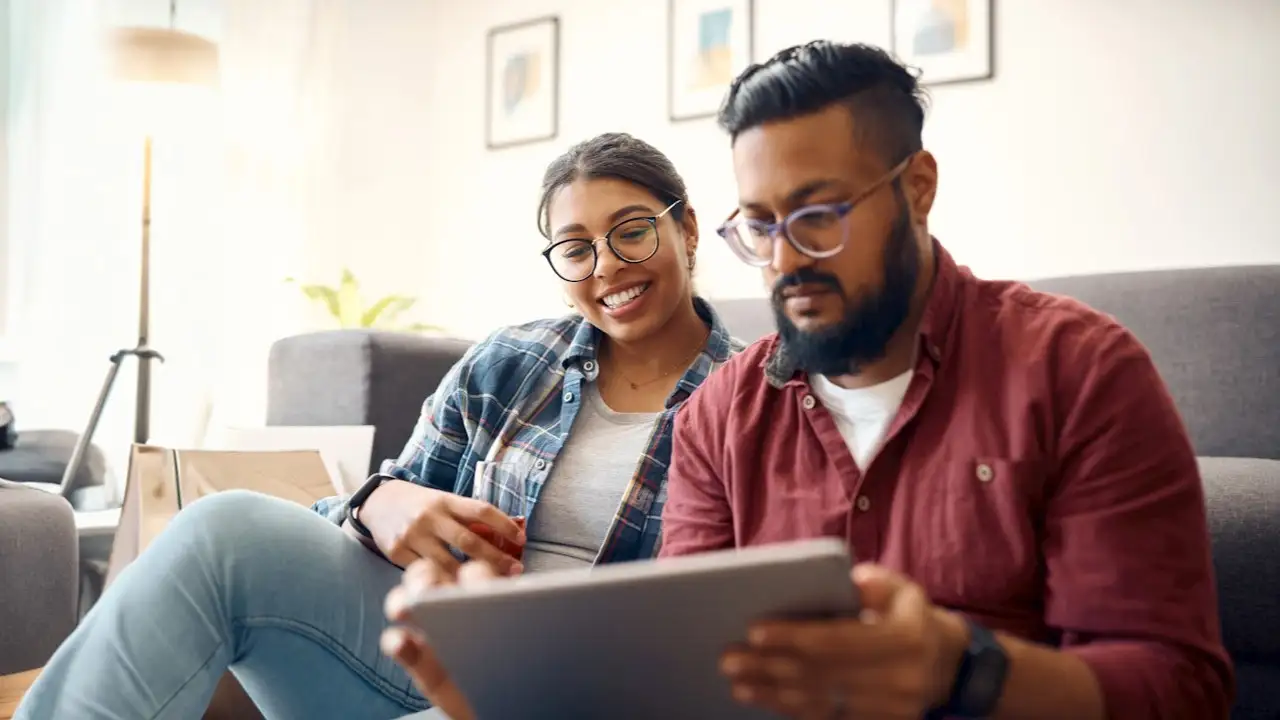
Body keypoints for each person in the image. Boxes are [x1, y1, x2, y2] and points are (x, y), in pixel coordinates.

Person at [16, 132, 742, 720]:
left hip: (577, 690)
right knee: (222, 528)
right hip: (419, 645)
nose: (608, 265)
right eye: (576, 248)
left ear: (684, 228)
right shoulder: (512, 362)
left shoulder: (754, 396)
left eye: (632, 232)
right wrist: (379, 501)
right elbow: (368, 510)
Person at [656, 40, 1234, 719]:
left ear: (918, 187)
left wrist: (967, 671)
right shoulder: (716, 419)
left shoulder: (1081, 373)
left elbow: (1178, 690)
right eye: (760, 225)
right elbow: (686, 668)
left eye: (817, 218)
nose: (784, 259)